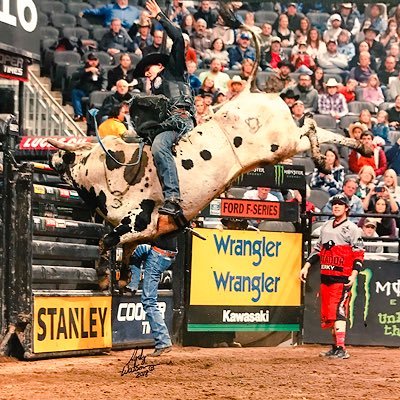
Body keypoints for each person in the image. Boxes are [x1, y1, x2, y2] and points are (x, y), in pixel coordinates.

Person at [131, 0, 195, 217]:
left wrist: (159, 16)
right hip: (165, 123)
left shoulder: (174, 70)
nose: (146, 73)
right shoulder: (155, 91)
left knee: (159, 146)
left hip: (180, 119)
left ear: (160, 65)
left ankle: (173, 197)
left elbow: (177, 37)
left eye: (148, 68)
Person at [300, 194, 364, 359]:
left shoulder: (352, 228)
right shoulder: (326, 226)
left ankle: (341, 349)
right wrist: (307, 265)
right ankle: (335, 347)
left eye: (340, 204)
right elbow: (318, 249)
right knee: (329, 314)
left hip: (342, 277)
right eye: (334, 204)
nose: (336, 206)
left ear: (346, 208)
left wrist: (354, 274)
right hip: (326, 276)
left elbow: (358, 254)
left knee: (339, 312)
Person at [128, 234, 178, 357]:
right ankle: (133, 285)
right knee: (138, 252)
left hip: (158, 255)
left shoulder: (157, 214)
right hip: (167, 254)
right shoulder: (172, 216)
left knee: (149, 301)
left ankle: (163, 342)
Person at [71, 53, 107, 122]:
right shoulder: (83, 68)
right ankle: (79, 115)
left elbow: (105, 80)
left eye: (95, 60)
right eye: (91, 60)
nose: (93, 62)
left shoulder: (102, 70)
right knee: (75, 92)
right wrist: (87, 70)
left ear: (98, 61)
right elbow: (74, 76)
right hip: (84, 91)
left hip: (96, 92)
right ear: (88, 60)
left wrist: (103, 88)